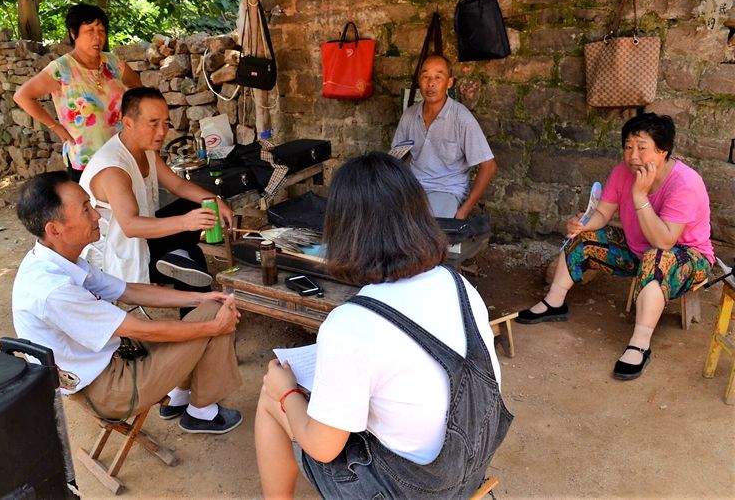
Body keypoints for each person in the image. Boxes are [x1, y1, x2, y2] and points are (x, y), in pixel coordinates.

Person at [254, 152, 511, 499]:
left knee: (272, 395)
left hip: (412, 491)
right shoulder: (458, 285)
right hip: (468, 471)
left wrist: (285, 392)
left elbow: (323, 449)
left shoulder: (350, 325)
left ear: (343, 231)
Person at [12, 171, 243, 433]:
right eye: (85, 209)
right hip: (108, 390)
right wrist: (215, 327)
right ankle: (201, 412)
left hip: (111, 357)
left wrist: (201, 297)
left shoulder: (55, 260)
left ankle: (180, 397)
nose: (96, 215)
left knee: (211, 308)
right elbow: (142, 330)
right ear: (54, 229)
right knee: (216, 316)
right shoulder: (54, 290)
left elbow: (128, 291)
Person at [516, 113, 714, 381]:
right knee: (585, 237)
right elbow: (603, 213)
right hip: (637, 250)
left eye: (642, 148)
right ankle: (554, 302)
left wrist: (640, 196)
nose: (633, 156)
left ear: (663, 150)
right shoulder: (623, 172)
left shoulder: (685, 184)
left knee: (657, 257)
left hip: (688, 258)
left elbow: (665, 241)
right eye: (628, 147)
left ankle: (639, 344)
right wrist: (582, 224)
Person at [79, 87, 233, 307]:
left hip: (142, 237)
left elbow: (177, 184)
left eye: (166, 123)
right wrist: (185, 223)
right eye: (153, 123)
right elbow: (130, 226)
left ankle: (178, 260)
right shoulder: (113, 168)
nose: (162, 131)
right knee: (192, 258)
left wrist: (215, 201)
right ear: (128, 123)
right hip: (118, 254)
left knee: (196, 208)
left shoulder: (145, 149)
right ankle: (200, 313)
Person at [14, 3, 142, 182]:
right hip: (86, 159)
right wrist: (55, 127)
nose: (97, 37)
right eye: (90, 31)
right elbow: (22, 96)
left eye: (102, 31)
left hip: (121, 152)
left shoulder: (113, 62)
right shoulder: (61, 69)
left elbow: (137, 86)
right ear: (73, 34)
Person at [391, 54, 497, 219]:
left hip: (446, 190)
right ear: (419, 81)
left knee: (424, 225)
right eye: (425, 77)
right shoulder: (410, 115)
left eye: (438, 77)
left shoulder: (462, 118)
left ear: (449, 82)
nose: (431, 83)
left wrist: (464, 210)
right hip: (413, 189)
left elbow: (488, 166)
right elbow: (395, 158)